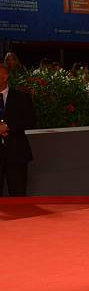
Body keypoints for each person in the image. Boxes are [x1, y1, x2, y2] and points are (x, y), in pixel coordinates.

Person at [0, 64, 36, 196]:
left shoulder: (21, 97)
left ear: (5, 77)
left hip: (17, 154)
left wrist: (7, 126)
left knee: (18, 195)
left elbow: (31, 121)